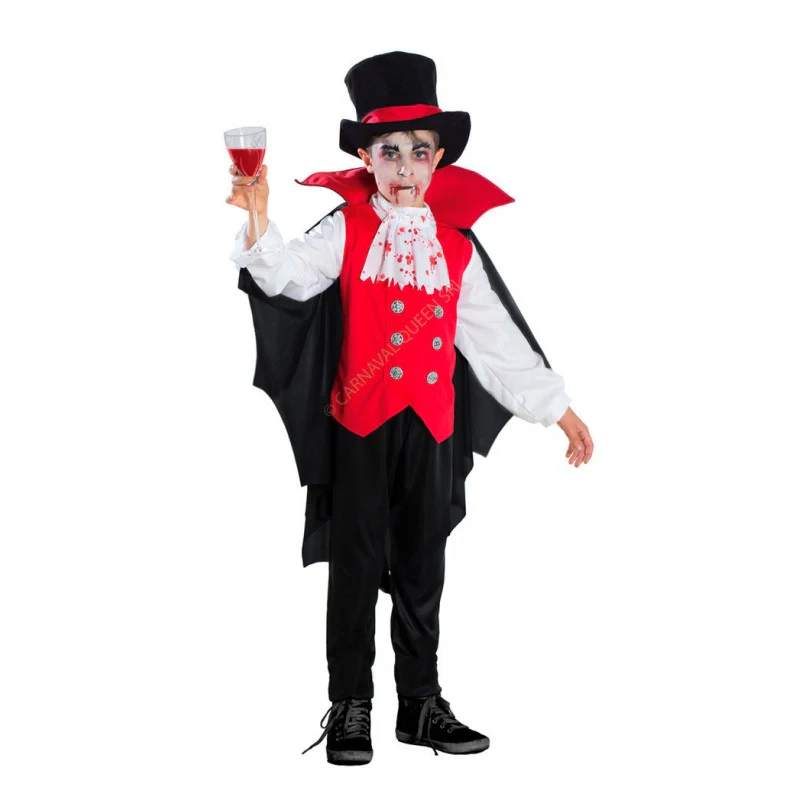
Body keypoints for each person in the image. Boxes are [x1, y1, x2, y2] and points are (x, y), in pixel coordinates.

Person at [226, 51, 593, 766]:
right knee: (356, 565)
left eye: (418, 151)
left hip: (432, 427)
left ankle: (421, 704)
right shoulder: (347, 228)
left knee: (424, 566)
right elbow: (287, 279)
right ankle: (350, 703)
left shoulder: (455, 247)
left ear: (438, 159)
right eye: (388, 151)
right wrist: (259, 216)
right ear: (366, 158)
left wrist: (559, 410)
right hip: (359, 423)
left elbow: (494, 339)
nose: (403, 166)